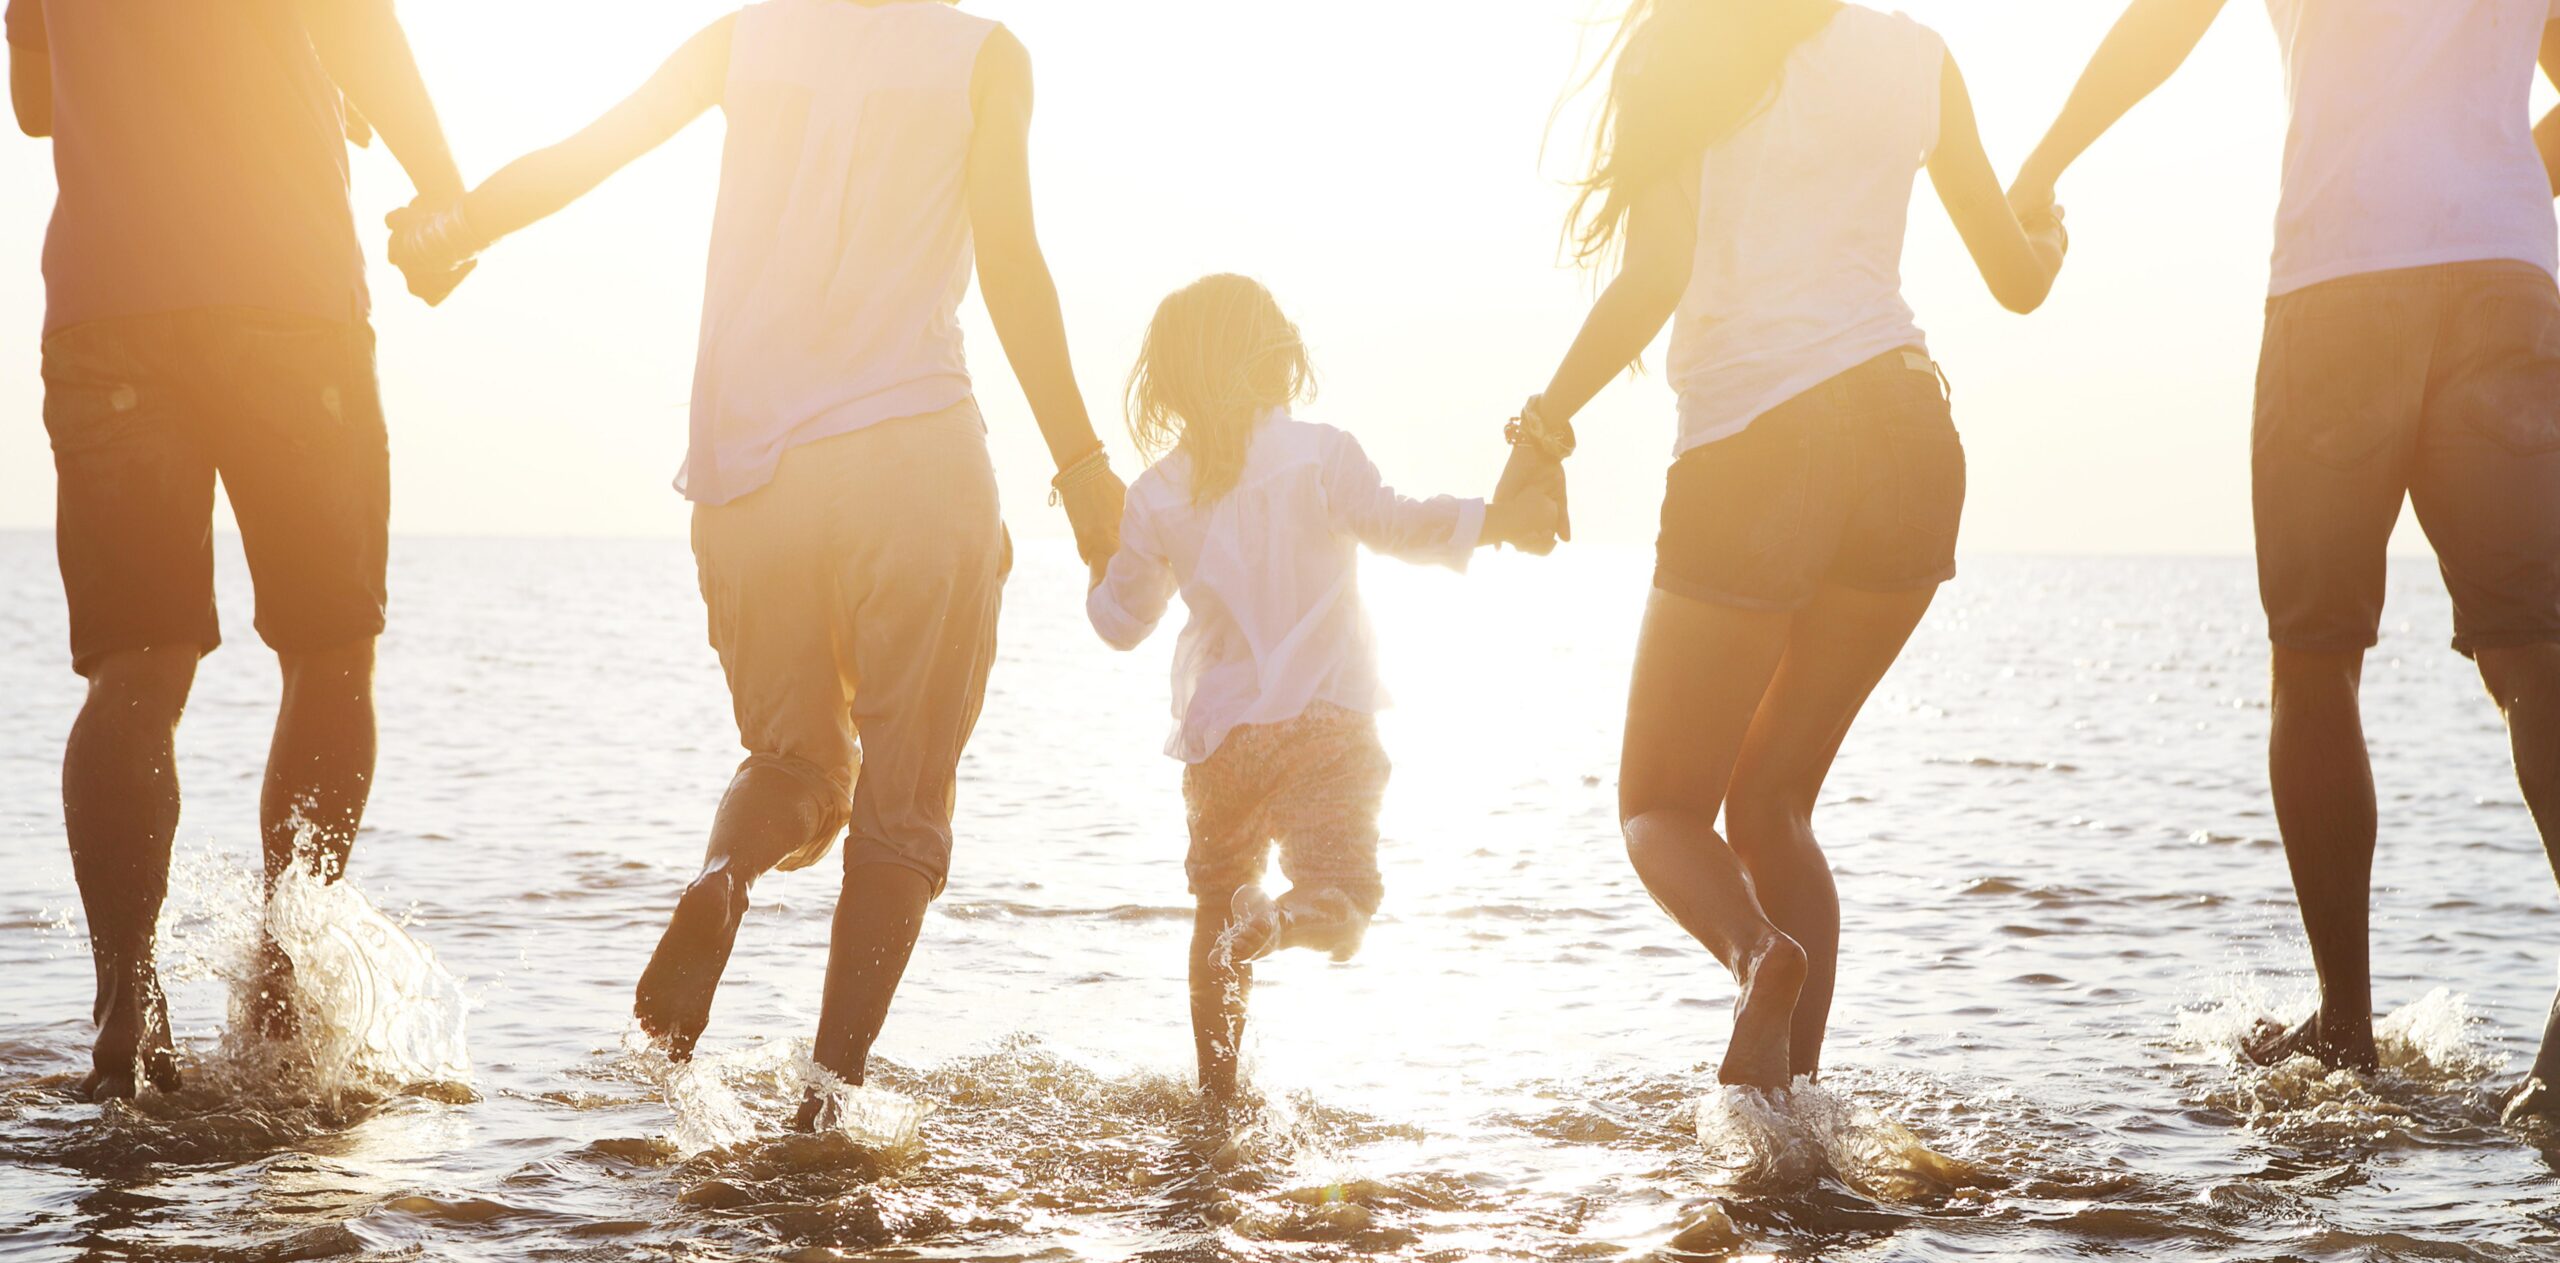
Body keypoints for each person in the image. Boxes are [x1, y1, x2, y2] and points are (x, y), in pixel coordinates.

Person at [387, 0, 1127, 1127]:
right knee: (900, 806)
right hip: (912, 462)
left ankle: (723, 879)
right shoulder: (984, 57)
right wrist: (1081, 468)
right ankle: (826, 1106)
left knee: (793, 766)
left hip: (752, 477)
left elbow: (591, 152)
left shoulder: (746, 36)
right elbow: (1013, 262)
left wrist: (455, 226)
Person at [1491, 0, 2065, 1089]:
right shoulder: (1919, 56)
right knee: (1773, 802)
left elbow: (1656, 273)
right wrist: (2047, 233)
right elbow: (2018, 281)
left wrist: (1544, 424)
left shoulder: (1682, 45)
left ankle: (1759, 955)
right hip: (1908, 438)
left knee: (1659, 806)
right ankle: (1790, 1120)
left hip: (1757, 446)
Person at [2008, 1, 2560, 1113]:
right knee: (2532, 649)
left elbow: (2162, 27)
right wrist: (2502, 184)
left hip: (2337, 280)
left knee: (2314, 660)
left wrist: (2038, 168)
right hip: (2504, 283)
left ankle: (2344, 1022)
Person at [8, 0, 469, 1102]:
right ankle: (277, 969)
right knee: (327, 648)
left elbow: (33, 104)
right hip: (286, 291)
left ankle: (126, 996)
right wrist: (441, 185)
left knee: (138, 666)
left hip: (107, 307)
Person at [1085, 274, 1559, 1099]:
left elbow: (1121, 623)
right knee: (1344, 907)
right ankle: (1285, 922)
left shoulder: (1156, 493)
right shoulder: (1320, 455)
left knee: (1212, 912)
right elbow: (1399, 525)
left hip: (1220, 743)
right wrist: (1500, 520)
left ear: (1167, 382)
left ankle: (1217, 1101)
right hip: (1327, 725)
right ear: (1277, 358)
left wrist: (1101, 562)